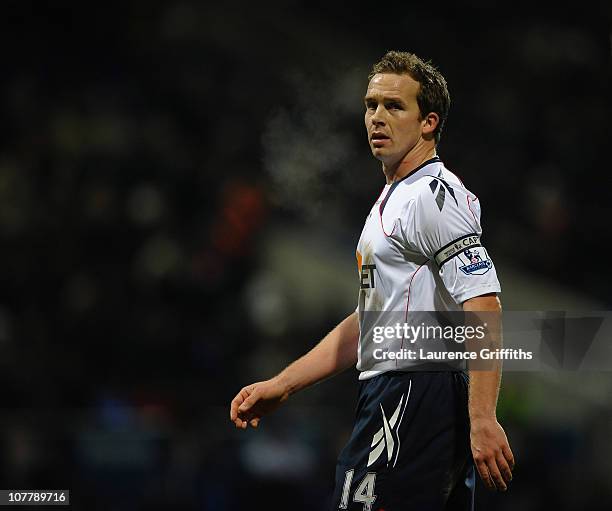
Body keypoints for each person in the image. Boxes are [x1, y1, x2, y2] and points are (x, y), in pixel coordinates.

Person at [230, 50, 514, 510]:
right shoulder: (390, 201)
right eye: (371, 105)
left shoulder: (432, 196)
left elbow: (483, 303)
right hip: (396, 390)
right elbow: (369, 321)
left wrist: (483, 416)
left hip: (414, 392)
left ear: (429, 122)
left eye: (394, 106)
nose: (377, 117)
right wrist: (284, 384)